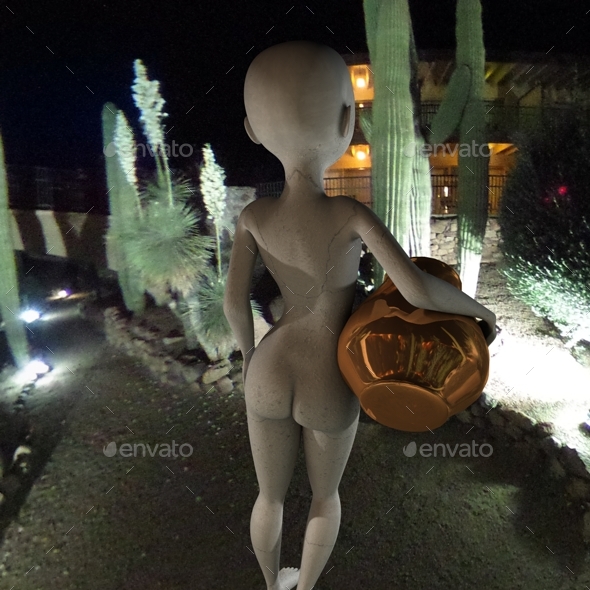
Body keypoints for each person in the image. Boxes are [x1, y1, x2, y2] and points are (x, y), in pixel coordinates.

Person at [223, 40, 497, 590]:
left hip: (269, 366)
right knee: (325, 497)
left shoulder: (253, 216)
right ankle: (305, 587)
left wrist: (251, 357)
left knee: (268, 497)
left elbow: (233, 300)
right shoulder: (349, 213)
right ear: (348, 121)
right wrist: (481, 312)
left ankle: (272, 583)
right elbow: (416, 288)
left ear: (253, 129)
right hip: (329, 373)